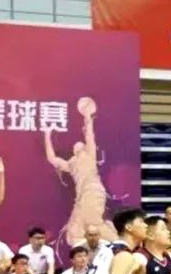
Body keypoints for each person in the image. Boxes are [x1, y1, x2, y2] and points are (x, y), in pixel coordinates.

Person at [44, 97, 119, 246]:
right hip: (81, 196)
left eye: (81, 144)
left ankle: (115, 242)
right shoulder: (71, 164)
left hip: (93, 191)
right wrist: (47, 136)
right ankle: (98, 246)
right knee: (72, 234)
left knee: (91, 222)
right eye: (75, 145)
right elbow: (52, 158)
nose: (77, 144)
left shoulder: (90, 154)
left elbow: (89, 135)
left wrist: (87, 116)